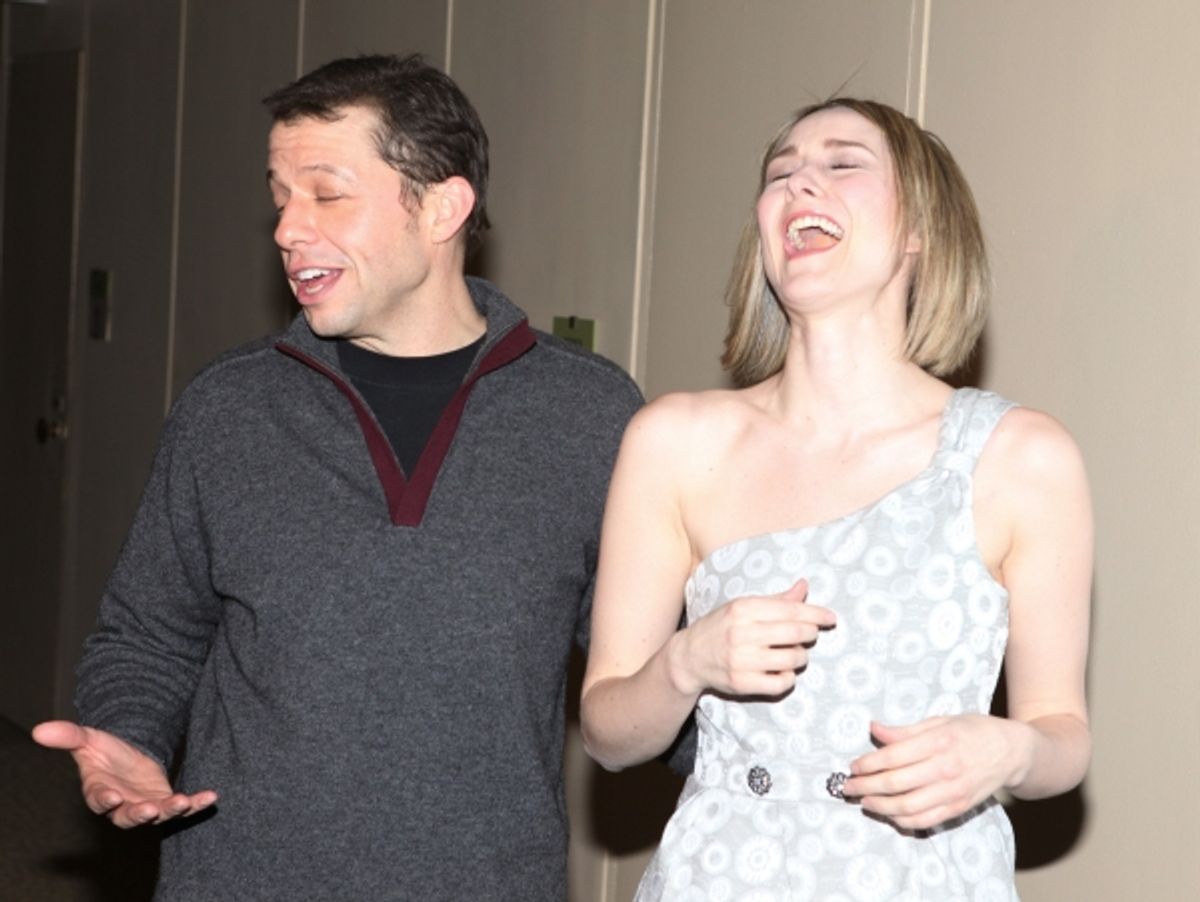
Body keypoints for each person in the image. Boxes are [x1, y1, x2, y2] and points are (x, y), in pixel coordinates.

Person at [33, 54, 655, 901]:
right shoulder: (230, 408)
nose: (288, 228)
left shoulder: (592, 415)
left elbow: (648, 671)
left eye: (326, 194)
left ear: (442, 206)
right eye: (280, 197)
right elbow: (148, 633)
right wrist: (131, 736)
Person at [580, 98, 1092, 900]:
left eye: (843, 164)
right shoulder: (674, 440)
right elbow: (609, 733)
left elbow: (1064, 734)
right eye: (780, 172)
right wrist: (687, 662)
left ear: (921, 229)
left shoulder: (1021, 457)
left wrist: (1008, 752)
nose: (799, 184)